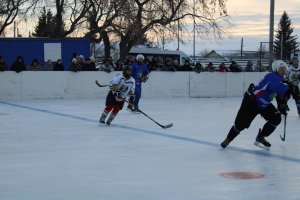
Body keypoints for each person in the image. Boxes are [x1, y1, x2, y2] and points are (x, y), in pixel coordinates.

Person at [220, 60, 290, 150]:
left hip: (263, 103)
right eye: (281, 69)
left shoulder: (280, 79)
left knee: (276, 118)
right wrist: (288, 87)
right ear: (275, 69)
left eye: (284, 69)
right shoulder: (272, 76)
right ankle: (228, 139)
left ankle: (261, 137)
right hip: (251, 101)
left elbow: (279, 95)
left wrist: (282, 104)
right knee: (240, 125)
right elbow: (279, 88)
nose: (283, 71)